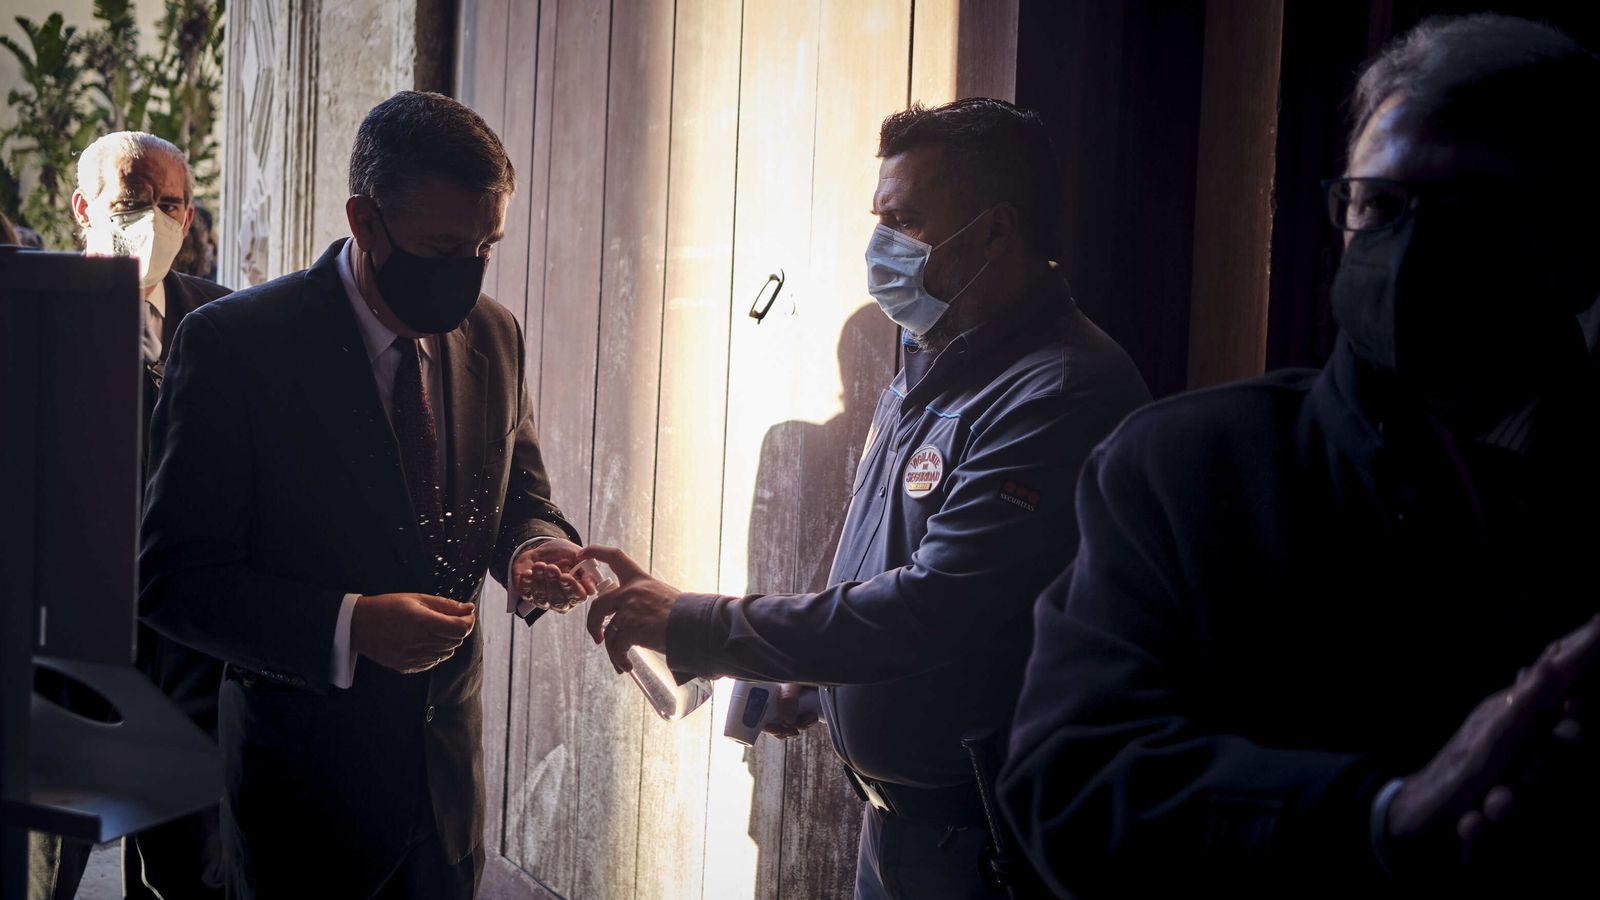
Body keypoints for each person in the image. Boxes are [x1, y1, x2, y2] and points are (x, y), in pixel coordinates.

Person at [996, 14, 1600, 897]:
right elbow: (1070, 781)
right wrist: (1381, 815)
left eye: (1471, 211)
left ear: (1577, 245)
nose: (1412, 253)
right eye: (1379, 206)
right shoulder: (1185, 469)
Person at [573, 98, 1150, 899]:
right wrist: (811, 680)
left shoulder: (1057, 390)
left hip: (989, 846)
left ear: (994, 231)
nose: (880, 247)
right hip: (897, 830)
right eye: (879, 217)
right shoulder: (935, 356)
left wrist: (693, 622)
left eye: (906, 221)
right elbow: (891, 563)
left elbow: (933, 607)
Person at [139, 91, 588, 899]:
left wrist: (531, 551)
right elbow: (173, 581)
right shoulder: (237, 347)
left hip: (447, 794)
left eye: (487, 245)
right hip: (303, 807)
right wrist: (347, 625)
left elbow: (519, 493)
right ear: (365, 221)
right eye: (444, 246)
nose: (470, 271)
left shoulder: (495, 333)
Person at [26, 131, 232, 900]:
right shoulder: (30, 313)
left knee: (190, 874)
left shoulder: (224, 323)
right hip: (62, 657)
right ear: (85, 210)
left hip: (185, 657)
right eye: (132, 203)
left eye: (171, 204)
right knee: (43, 869)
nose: (155, 219)